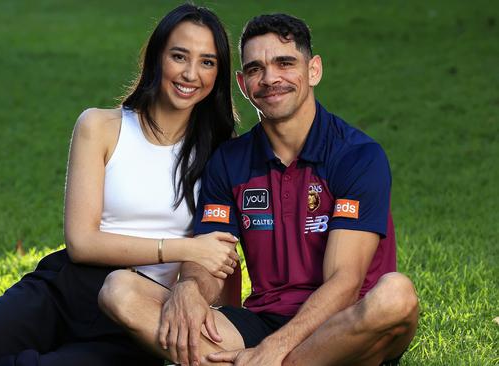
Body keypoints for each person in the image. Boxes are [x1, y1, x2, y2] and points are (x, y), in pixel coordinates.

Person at [0, 4, 239, 366]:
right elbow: (82, 242)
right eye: (179, 56)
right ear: (157, 57)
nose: (191, 74)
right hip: (70, 287)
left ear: (218, 74)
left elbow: (219, 258)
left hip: (137, 311)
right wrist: (186, 248)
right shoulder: (101, 127)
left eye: (207, 62)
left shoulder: (220, 153)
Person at [98, 13, 419, 366]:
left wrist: (276, 348)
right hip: (262, 321)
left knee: (396, 295)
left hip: (344, 325)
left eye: (285, 63)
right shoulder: (229, 161)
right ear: (241, 82)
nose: (270, 79)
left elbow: (345, 283)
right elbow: (210, 254)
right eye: (255, 69)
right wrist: (189, 287)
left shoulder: (357, 156)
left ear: (313, 70)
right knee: (121, 291)